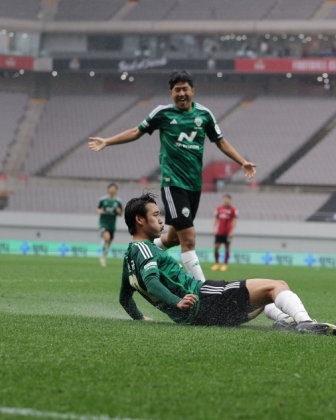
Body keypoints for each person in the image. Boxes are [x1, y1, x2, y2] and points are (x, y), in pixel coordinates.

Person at [89, 71, 257, 282]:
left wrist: (242, 161)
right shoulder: (162, 113)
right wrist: (107, 141)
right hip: (173, 184)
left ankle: (139, 254)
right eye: (177, 89)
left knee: (173, 238)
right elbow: (136, 131)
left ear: (192, 91)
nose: (181, 93)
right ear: (171, 93)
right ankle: (205, 293)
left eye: (185, 89)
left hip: (194, 186)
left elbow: (220, 141)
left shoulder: (204, 115)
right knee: (189, 240)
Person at [117, 192, 336, 336]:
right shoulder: (144, 247)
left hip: (200, 318)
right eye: (155, 214)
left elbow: (124, 298)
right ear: (139, 220)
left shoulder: (129, 259)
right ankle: (305, 323)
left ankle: (286, 321)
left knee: (264, 299)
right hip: (204, 299)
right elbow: (152, 282)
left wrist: (140, 317)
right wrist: (177, 302)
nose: (160, 219)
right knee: (277, 286)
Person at [97, 183, 123, 267]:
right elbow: (98, 208)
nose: (113, 190)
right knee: (107, 237)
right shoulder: (103, 200)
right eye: (111, 188)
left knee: (109, 241)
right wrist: (99, 211)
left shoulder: (118, 201)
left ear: (116, 191)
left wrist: (118, 211)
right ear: (108, 189)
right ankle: (102, 256)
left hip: (112, 225)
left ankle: (104, 255)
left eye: (114, 189)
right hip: (103, 223)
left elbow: (120, 214)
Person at [211, 194, 237, 272]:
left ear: (230, 200)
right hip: (219, 231)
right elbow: (216, 218)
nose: (226, 200)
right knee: (216, 247)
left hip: (228, 232)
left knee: (227, 247)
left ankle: (225, 264)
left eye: (227, 199)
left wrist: (232, 231)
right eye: (224, 199)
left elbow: (235, 221)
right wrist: (213, 228)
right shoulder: (219, 208)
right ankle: (216, 264)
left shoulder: (233, 209)